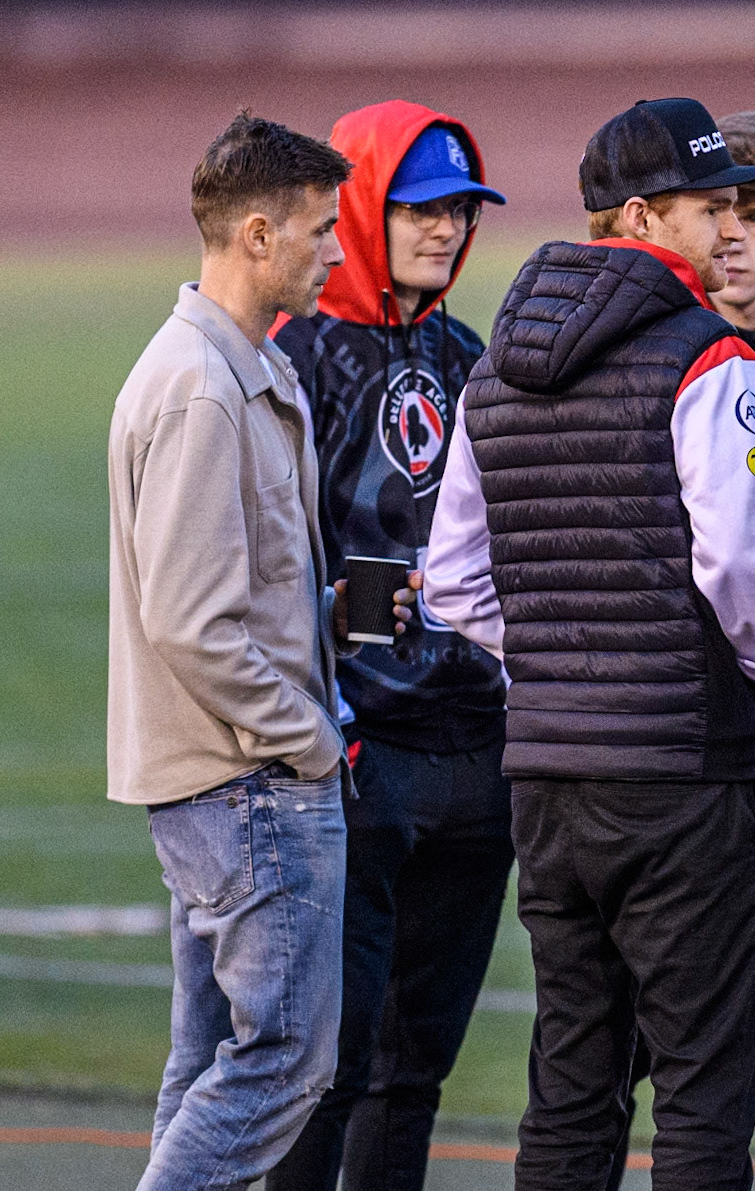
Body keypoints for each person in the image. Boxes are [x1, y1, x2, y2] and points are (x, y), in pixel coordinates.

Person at [423, 97, 755, 1190]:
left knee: (573, 1075)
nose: (729, 228)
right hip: (681, 771)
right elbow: (743, 564)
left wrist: (553, 658)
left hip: (547, 776)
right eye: (708, 207)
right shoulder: (712, 359)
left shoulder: (493, 367)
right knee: (702, 1083)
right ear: (637, 217)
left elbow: (453, 579)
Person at [108, 111, 411, 1189]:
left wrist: (333, 612)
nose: (337, 252)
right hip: (248, 786)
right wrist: (310, 740)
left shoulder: (229, 365)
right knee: (284, 1062)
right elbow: (192, 623)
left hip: (221, 782)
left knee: (206, 1063)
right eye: (322, 230)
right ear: (257, 234)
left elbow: (230, 592)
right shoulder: (204, 389)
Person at [266, 101, 513, 1191]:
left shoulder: (471, 354)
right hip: (360, 750)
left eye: (460, 209)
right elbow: (269, 556)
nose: (446, 228)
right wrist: (360, 648)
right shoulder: (295, 355)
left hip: (477, 750)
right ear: (362, 207)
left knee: (416, 1073)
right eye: (420, 208)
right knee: (327, 1063)